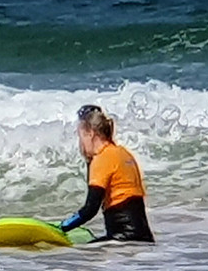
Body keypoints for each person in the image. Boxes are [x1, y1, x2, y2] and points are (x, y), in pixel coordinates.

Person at [58, 104, 155, 243]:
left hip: (124, 240)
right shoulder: (123, 153)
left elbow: (90, 209)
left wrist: (61, 227)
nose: (80, 143)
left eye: (81, 137)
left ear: (90, 134)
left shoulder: (102, 159)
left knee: (80, 257)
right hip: (144, 239)